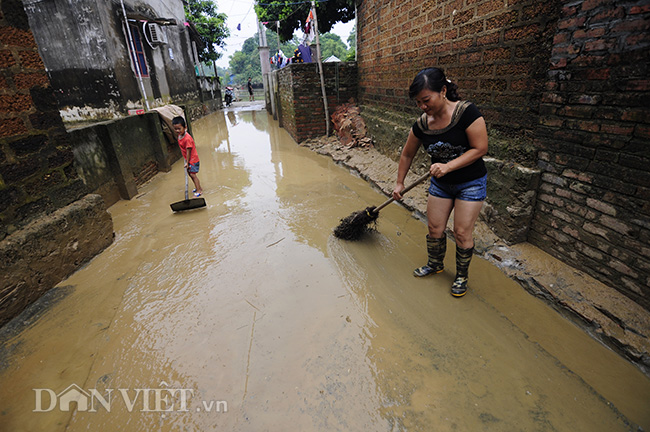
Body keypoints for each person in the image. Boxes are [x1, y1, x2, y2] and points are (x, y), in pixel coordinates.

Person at [392, 67, 488, 298]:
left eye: (426, 100)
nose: (423, 107)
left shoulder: (466, 112)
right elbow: (407, 154)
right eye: (418, 103)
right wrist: (399, 183)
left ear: (443, 91)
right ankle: (435, 264)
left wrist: (448, 166)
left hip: (470, 182)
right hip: (441, 184)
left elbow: (480, 148)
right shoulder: (422, 124)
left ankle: (461, 276)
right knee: (435, 228)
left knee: (462, 231)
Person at [172, 116, 203, 197]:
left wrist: (187, 162)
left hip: (192, 159)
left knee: (193, 175)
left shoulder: (187, 139)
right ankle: (198, 187)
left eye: (179, 128)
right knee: (190, 174)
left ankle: (199, 190)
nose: (177, 131)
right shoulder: (180, 136)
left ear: (185, 127)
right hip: (188, 159)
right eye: (175, 129)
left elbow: (188, 151)